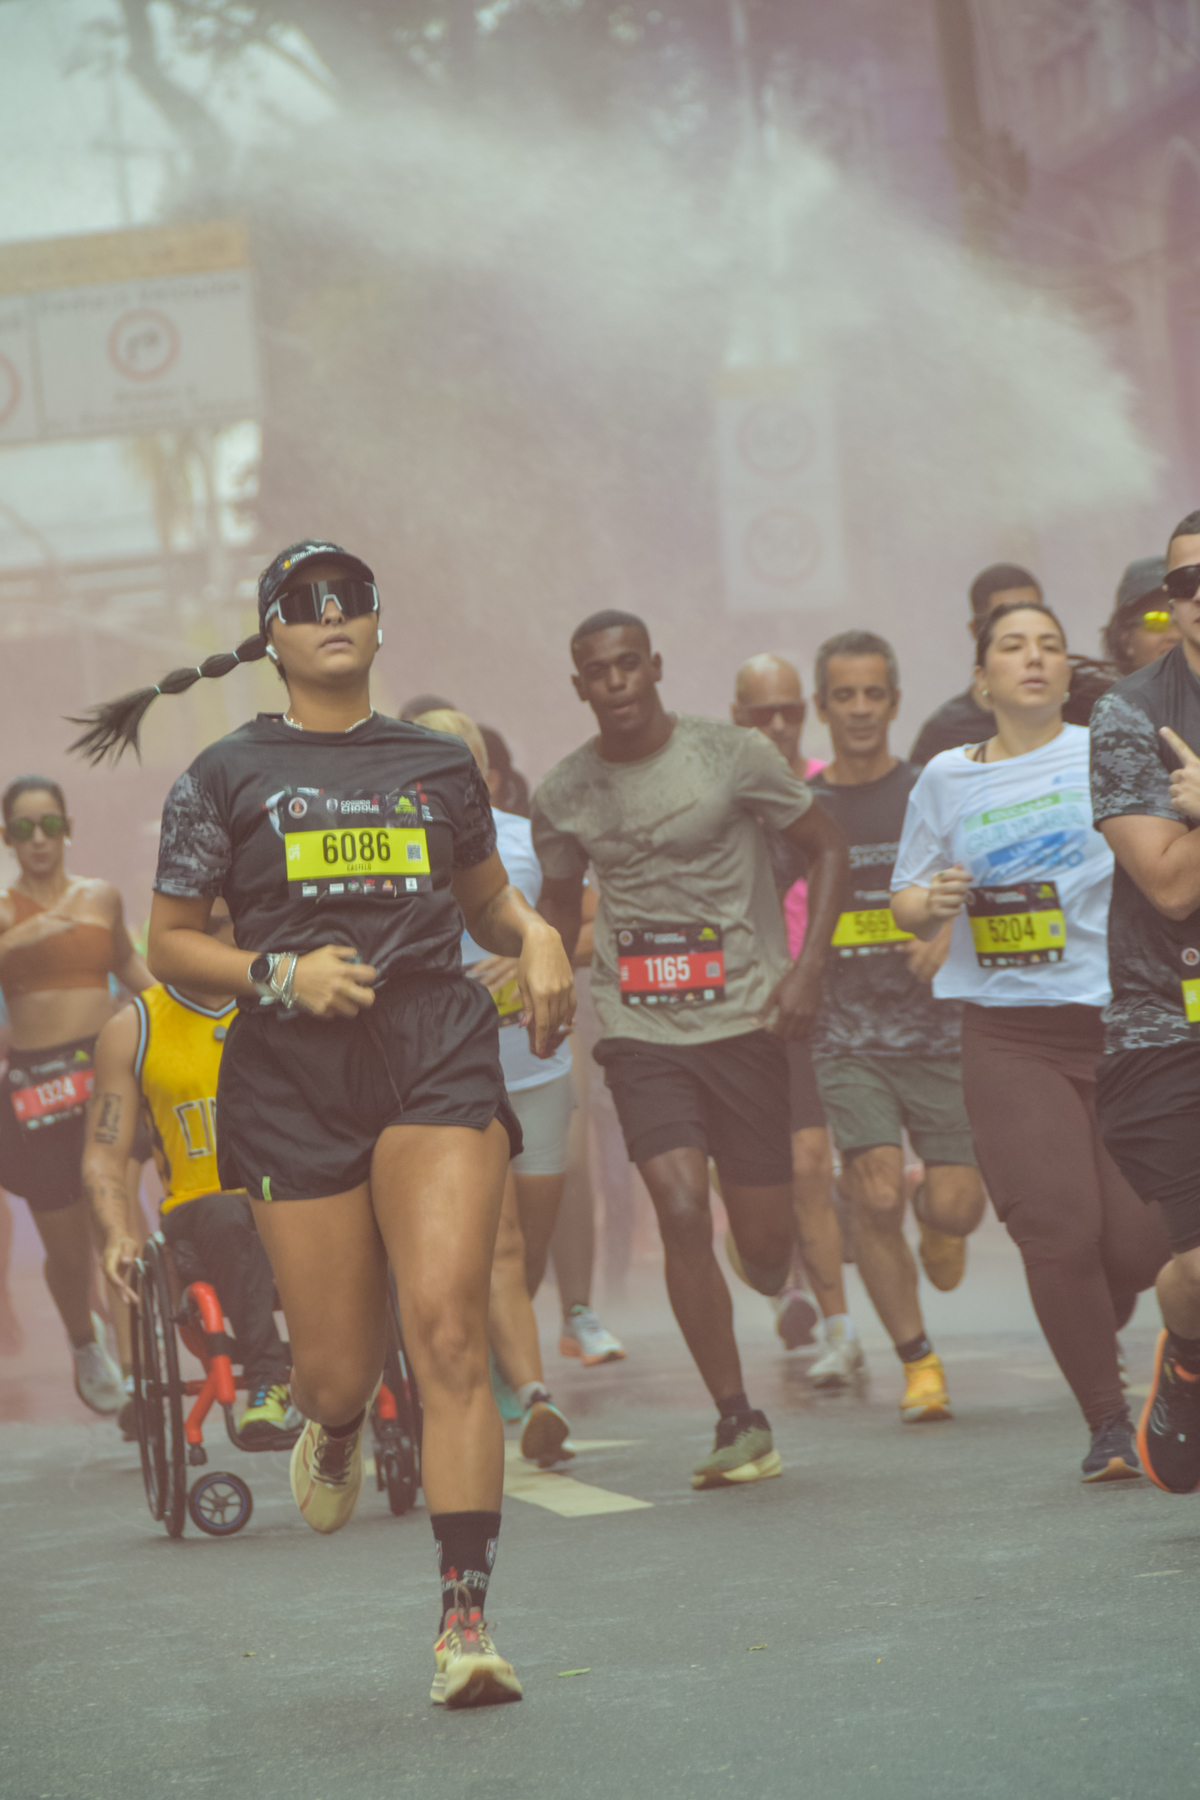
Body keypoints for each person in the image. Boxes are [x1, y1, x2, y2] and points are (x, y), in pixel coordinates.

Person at [71, 539, 574, 1709]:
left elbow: (487, 903)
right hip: (293, 1074)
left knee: (446, 1330)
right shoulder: (223, 773)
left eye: (351, 598)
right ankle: (337, 1428)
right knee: (337, 1373)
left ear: (380, 625)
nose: (332, 614)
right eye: (305, 603)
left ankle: (465, 1622)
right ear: (273, 636)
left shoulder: (437, 762)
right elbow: (174, 939)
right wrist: (281, 976)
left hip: (432, 1050)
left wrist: (538, 936)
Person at [533, 609, 848, 1488]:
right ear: (580, 686)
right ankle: (737, 1417)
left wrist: (806, 971)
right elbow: (559, 908)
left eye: (630, 665)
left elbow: (826, 849)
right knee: (676, 1206)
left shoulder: (733, 756)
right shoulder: (564, 793)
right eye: (599, 672)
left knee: (765, 1250)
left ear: (656, 667)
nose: (617, 682)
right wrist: (545, 988)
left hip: (746, 1021)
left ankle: (763, 1237)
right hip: (641, 1031)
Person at [894, 599, 1168, 1479]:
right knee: (1054, 1231)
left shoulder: (1108, 752)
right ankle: (1106, 1423)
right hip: (1009, 1037)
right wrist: (926, 903)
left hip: (1121, 1025)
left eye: (1050, 645)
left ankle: (1100, 1306)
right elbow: (902, 894)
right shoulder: (944, 777)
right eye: (1013, 647)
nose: (1034, 659)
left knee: (1130, 1245)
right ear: (984, 678)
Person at [803, 631, 985, 1422]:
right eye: (844, 695)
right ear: (823, 707)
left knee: (955, 1206)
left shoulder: (932, 788)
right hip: (846, 1038)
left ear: (895, 702)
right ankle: (919, 1363)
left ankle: (940, 1225)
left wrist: (950, 932)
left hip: (940, 1031)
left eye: (874, 694)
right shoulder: (806, 810)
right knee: (874, 1192)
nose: (860, 710)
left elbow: (990, 872)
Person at [412, 707, 580, 1466]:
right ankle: (534, 1393)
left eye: (467, 757)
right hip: (454, 1074)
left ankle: (502, 1358)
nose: (457, 769)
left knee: (528, 1250)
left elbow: (564, 925)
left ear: (488, 768)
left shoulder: (524, 836)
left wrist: (528, 959)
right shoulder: (396, 851)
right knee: (501, 1242)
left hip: (537, 1066)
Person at [83, 898, 295, 1445]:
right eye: (189, 926)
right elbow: (105, 1153)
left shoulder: (284, 998)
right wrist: (116, 1234)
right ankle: (269, 1381)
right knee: (229, 1210)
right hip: (200, 1218)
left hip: (294, 1201)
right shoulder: (134, 1027)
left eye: (219, 923)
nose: (203, 936)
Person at [1088, 511, 1200, 1493]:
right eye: (1185, 582)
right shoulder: (1130, 714)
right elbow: (1170, 882)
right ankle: (1190, 1351)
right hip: (1171, 1028)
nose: (1199, 598)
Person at [0, 776, 151, 1413]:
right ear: (7, 837)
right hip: (34, 1088)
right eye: (25, 828)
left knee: (116, 1219)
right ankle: (82, 1340)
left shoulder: (102, 898)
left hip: (105, 1076)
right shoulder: (3, 910)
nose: (40, 839)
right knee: (65, 1248)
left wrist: (189, 1007)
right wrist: (21, 940)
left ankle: (140, 1373)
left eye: (51, 825)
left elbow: (133, 971)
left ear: (69, 828)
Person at [730, 651, 861, 1384]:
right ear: (736, 717)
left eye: (789, 711)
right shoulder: (720, 795)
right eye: (761, 713)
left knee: (813, 1165)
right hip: (736, 1012)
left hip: (821, 1002)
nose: (778, 725)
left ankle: (841, 1329)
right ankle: (783, 1288)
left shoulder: (825, 790)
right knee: (762, 1188)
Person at [909, 564, 1042, 766]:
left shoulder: (1074, 709)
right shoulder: (945, 733)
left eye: (1034, 616)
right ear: (976, 631)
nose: (1023, 631)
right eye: (1006, 621)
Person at [1100, 556, 1179, 677]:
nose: (1176, 635)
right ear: (1126, 639)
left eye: (1184, 621)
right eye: (1156, 621)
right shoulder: (1110, 695)